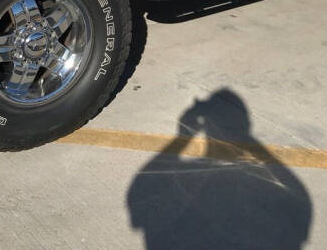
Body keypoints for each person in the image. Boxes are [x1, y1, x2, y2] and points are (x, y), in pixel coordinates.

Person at [127, 89, 312, 249]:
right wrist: (246, 139)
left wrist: (182, 137)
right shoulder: (291, 196)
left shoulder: (183, 180)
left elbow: (142, 190)